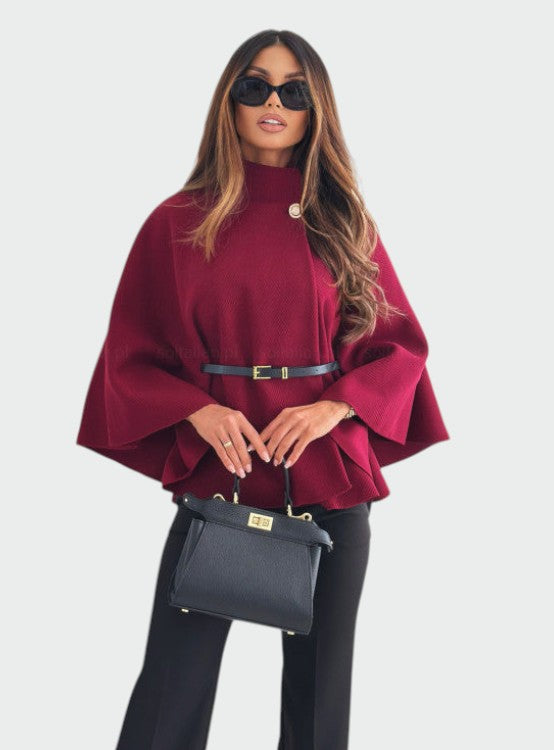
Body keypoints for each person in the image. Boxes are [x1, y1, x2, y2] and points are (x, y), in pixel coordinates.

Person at [76, 28, 449, 750]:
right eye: (256, 86)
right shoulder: (178, 220)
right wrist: (196, 408)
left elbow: (398, 347)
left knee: (318, 705)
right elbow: (130, 355)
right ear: (230, 101)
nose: (273, 102)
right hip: (221, 478)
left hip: (328, 478)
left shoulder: (343, 222)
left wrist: (332, 406)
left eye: (293, 91)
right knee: (169, 693)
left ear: (316, 109)